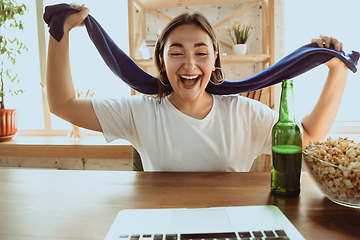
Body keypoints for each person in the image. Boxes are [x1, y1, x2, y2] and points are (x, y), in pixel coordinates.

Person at [46, 4, 349, 171]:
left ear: (215, 60)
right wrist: (60, 32)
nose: (189, 65)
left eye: (201, 53)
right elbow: (62, 104)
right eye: (176, 53)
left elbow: (307, 138)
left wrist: (337, 69)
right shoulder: (139, 111)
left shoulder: (244, 113)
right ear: (161, 61)